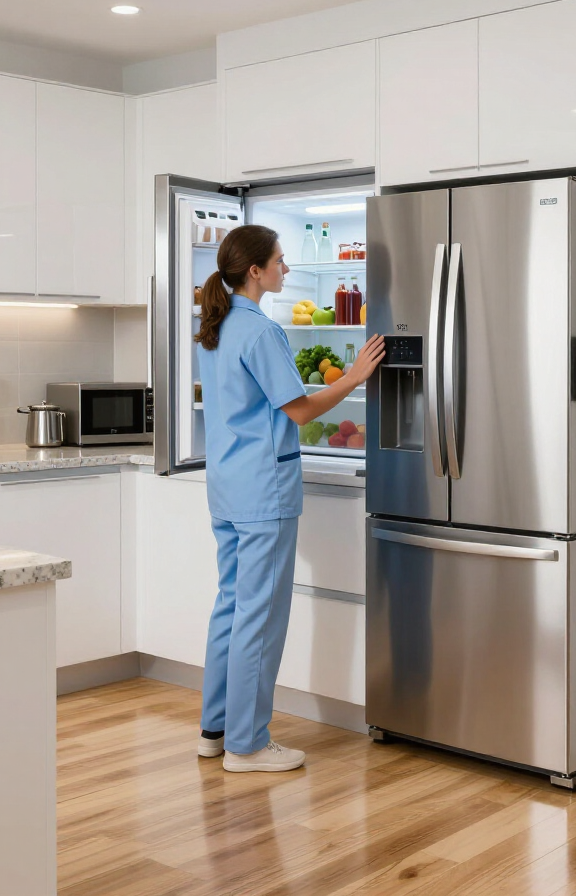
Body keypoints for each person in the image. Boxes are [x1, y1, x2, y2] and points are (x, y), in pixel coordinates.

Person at [194, 224, 385, 772]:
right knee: (260, 616)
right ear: (255, 270)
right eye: (280, 260)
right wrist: (353, 377)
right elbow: (298, 410)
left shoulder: (219, 324)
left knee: (232, 606)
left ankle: (216, 730)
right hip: (264, 490)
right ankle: (248, 745)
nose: (286, 269)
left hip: (229, 487)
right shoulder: (260, 331)